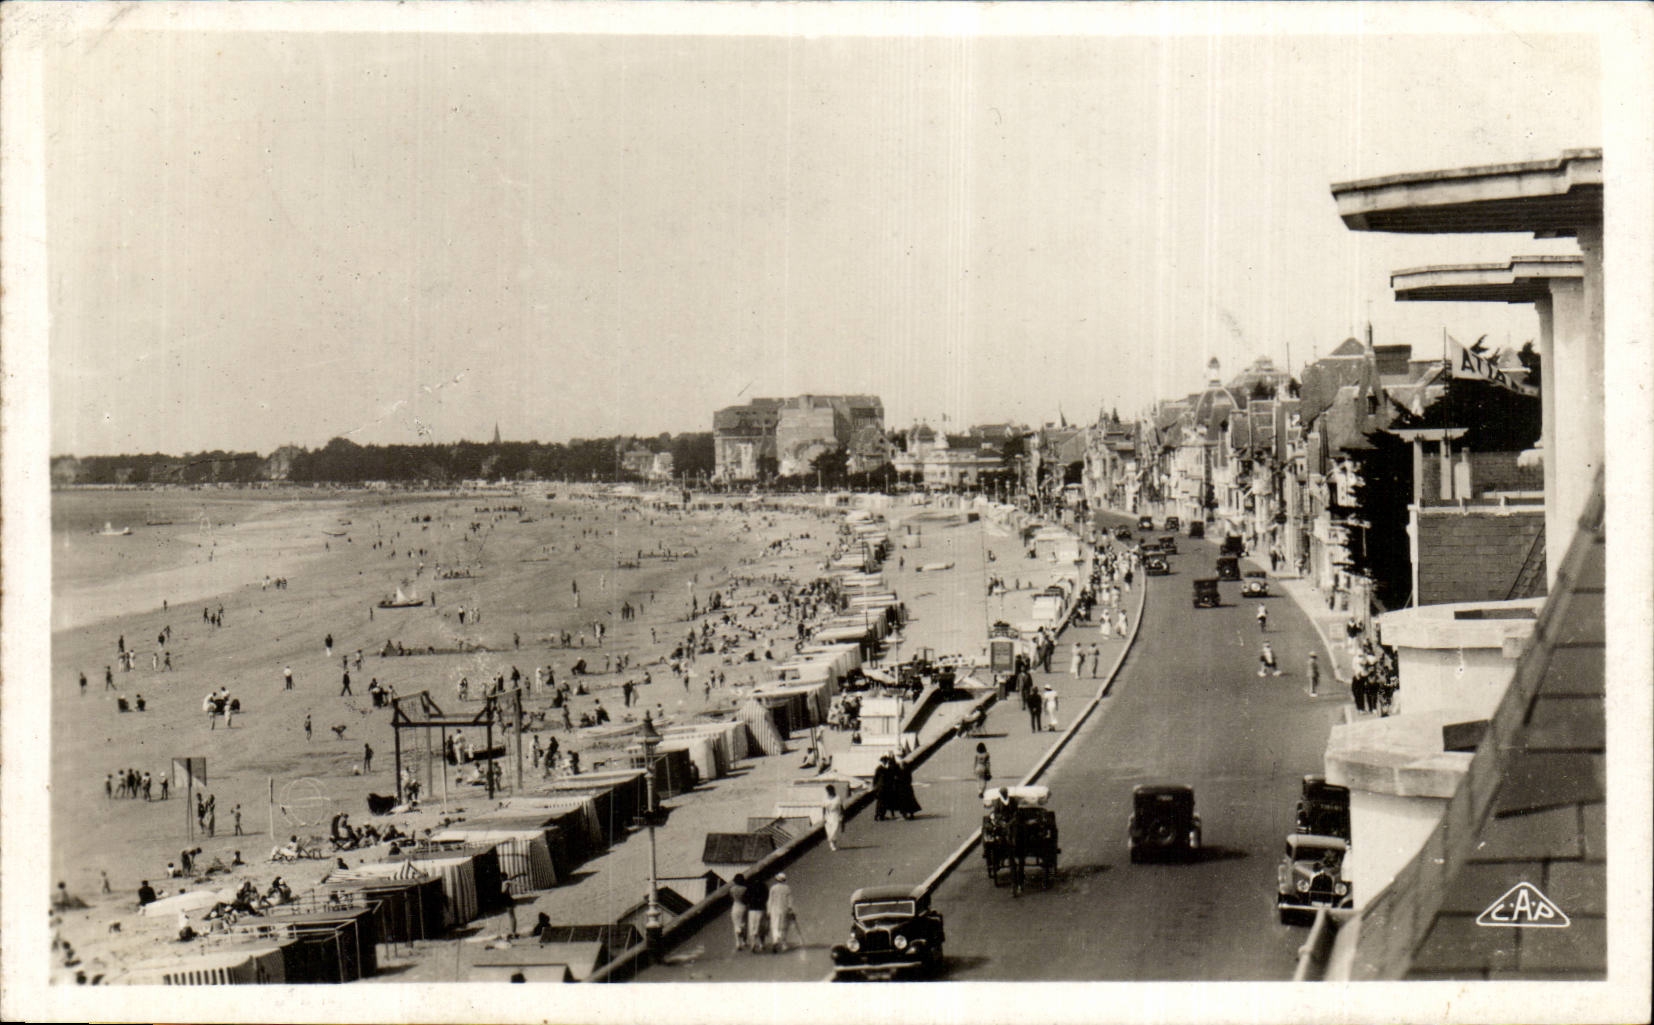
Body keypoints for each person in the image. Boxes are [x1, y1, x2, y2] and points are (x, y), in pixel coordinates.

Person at [766, 872, 795, 953]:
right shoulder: (787, 888)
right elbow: (790, 901)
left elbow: (770, 900)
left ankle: (775, 940)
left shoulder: (773, 888)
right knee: (784, 926)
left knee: (775, 925)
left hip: (774, 909)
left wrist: (768, 911)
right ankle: (784, 943)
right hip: (784, 909)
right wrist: (791, 910)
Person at [743, 874, 768, 953]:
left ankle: (753, 944)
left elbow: (745, 898)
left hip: (752, 909)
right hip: (761, 908)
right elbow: (766, 897)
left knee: (752, 927)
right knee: (761, 927)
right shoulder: (764, 886)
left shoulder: (750, 887)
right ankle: (762, 944)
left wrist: (749, 902)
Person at [729, 873, 751, 950]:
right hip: (743, 906)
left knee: (736, 924)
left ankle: (738, 943)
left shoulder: (731, 889)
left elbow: (731, 898)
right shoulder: (745, 889)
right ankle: (744, 941)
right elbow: (747, 899)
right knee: (744, 923)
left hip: (735, 906)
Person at [823, 783, 846, 851]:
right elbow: (823, 808)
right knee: (829, 831)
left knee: (834, 830)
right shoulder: (825, 798)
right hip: (828, 816)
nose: (828, 792)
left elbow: (841, 807)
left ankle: (831, 841)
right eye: (827, 791)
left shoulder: (837, 798)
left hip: (836, 815)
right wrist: (823, 817)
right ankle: (832, 845)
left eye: (829, 791)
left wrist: (842, 815)